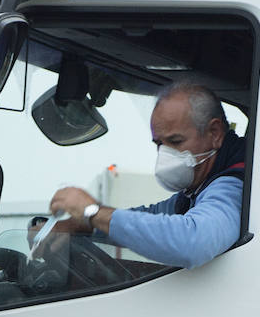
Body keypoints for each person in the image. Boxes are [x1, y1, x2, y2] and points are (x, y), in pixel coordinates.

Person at [47, 81, 246, 270]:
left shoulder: (233, 186)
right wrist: (84, 225)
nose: (165, 155)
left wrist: (93, 212)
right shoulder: (195, 191)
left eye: (175, 141)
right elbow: (153, 217)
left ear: (215, 133)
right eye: (159, 144)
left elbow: (193, 242)